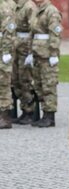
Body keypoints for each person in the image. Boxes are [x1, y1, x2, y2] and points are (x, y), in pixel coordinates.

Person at [31, 0, 62, 127]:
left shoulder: (51, 11)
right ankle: (44, 113)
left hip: (47, 54)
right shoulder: (37, 10)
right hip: (37, 53)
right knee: (39, 84)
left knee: (49, 84)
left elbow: (55, 34)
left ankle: (50, 116)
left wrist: (53, 54)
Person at [12, 0, 37, 125]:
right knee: (16, 80)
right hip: (15, 48)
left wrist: (30, 51)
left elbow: (33, 29)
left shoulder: (28, 6)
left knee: (25, 80)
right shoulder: (15, 6)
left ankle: (29, 111)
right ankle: (24, 109)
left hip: (25, 48)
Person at [0, 0, 16, 129]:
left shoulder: (4, 8)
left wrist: (6, 52)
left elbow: (8, 32)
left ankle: (5, 117)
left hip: (2, 52)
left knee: (4, 83)